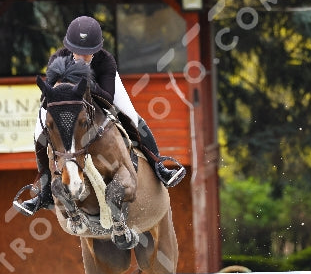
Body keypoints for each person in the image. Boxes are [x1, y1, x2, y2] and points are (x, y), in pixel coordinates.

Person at [14, 15, 187, 216]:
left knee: (133, 117)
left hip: (102, 94)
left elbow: (107, 97)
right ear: (69, 47)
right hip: (66, 104)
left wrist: (86, 81)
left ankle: (159, 166)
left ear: (96, 51)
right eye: (78, 52)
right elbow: (51, 94)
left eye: (87, 53)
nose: (82, 56)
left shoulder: (105, 62)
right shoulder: (57, 59)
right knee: (39, 134)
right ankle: (43, 192)